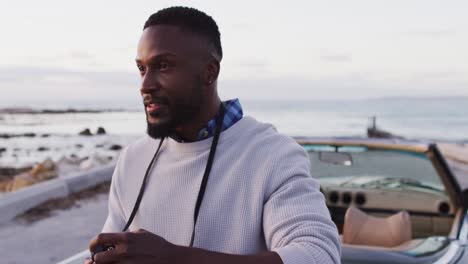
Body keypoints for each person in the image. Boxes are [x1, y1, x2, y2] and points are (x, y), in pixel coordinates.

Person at [87, 6, 341, 264]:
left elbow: (318, 254)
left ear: (209, 72)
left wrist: (174, 258)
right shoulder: (133, 159)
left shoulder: (272, 154)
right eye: (142, 69)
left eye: (163, 66)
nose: (145, 85)